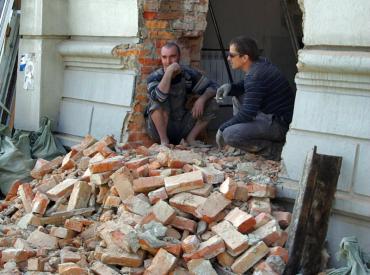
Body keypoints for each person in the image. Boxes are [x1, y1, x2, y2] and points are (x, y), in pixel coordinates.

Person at [215, 36, 295, 160]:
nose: (228, 58)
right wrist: (230, 87)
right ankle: (243, 143)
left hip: (279, 125)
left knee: (229, 134)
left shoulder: (255, 74)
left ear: (245, 58)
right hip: (271, 116)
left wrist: (222, 128)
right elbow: (245, 86)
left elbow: (248, 113)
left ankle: (275, 151)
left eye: (231, 55)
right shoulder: (260, 63)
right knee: (236, 96)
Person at [145, 42, 218, 146]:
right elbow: (159, 97)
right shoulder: (154, 77)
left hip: (182, 124)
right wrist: (169, 72)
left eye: (172, 57)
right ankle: (164, 142)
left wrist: (202, 99)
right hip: (159, 130)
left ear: (179, 57)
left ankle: (190, 139)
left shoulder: (187, 74)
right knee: (155, 101)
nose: (168, 61)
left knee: (212, 103)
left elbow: (215, 87)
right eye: (164, 57)